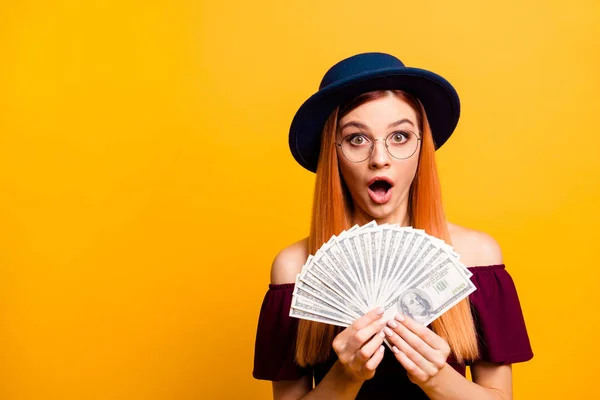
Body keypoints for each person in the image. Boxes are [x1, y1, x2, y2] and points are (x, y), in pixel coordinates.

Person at [253, 52, 533, 399]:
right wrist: (346, 377)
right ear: (333, 153)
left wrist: (436, 379)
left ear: (422, 146)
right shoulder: (295, 269)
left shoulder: (476, 257)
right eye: (357, 138)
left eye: (399, 136)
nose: (380, 158)